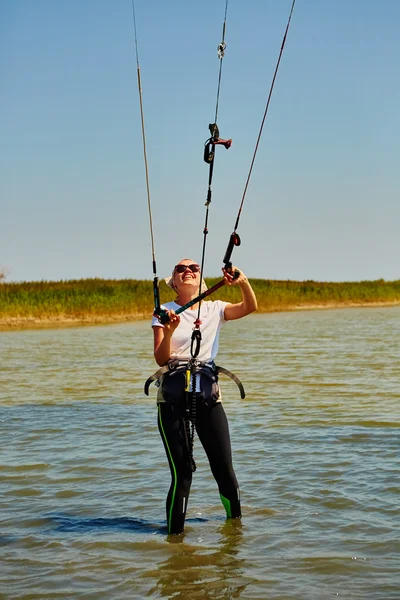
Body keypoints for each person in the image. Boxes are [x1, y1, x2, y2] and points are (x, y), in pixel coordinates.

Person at [150, 258, 257, 535]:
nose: (187, 271)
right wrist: (170, 328)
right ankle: (175, 541)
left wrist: (242, 282)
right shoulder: (163, 311)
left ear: (201, 278)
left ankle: (235, 537)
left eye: (193, 268)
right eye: (181, 269)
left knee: (225, 471)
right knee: (182, 475)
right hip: (172, 400)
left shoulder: (215, 308)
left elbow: (249, 307)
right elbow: (161, 356)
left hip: (208, 398)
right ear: (173, 281)